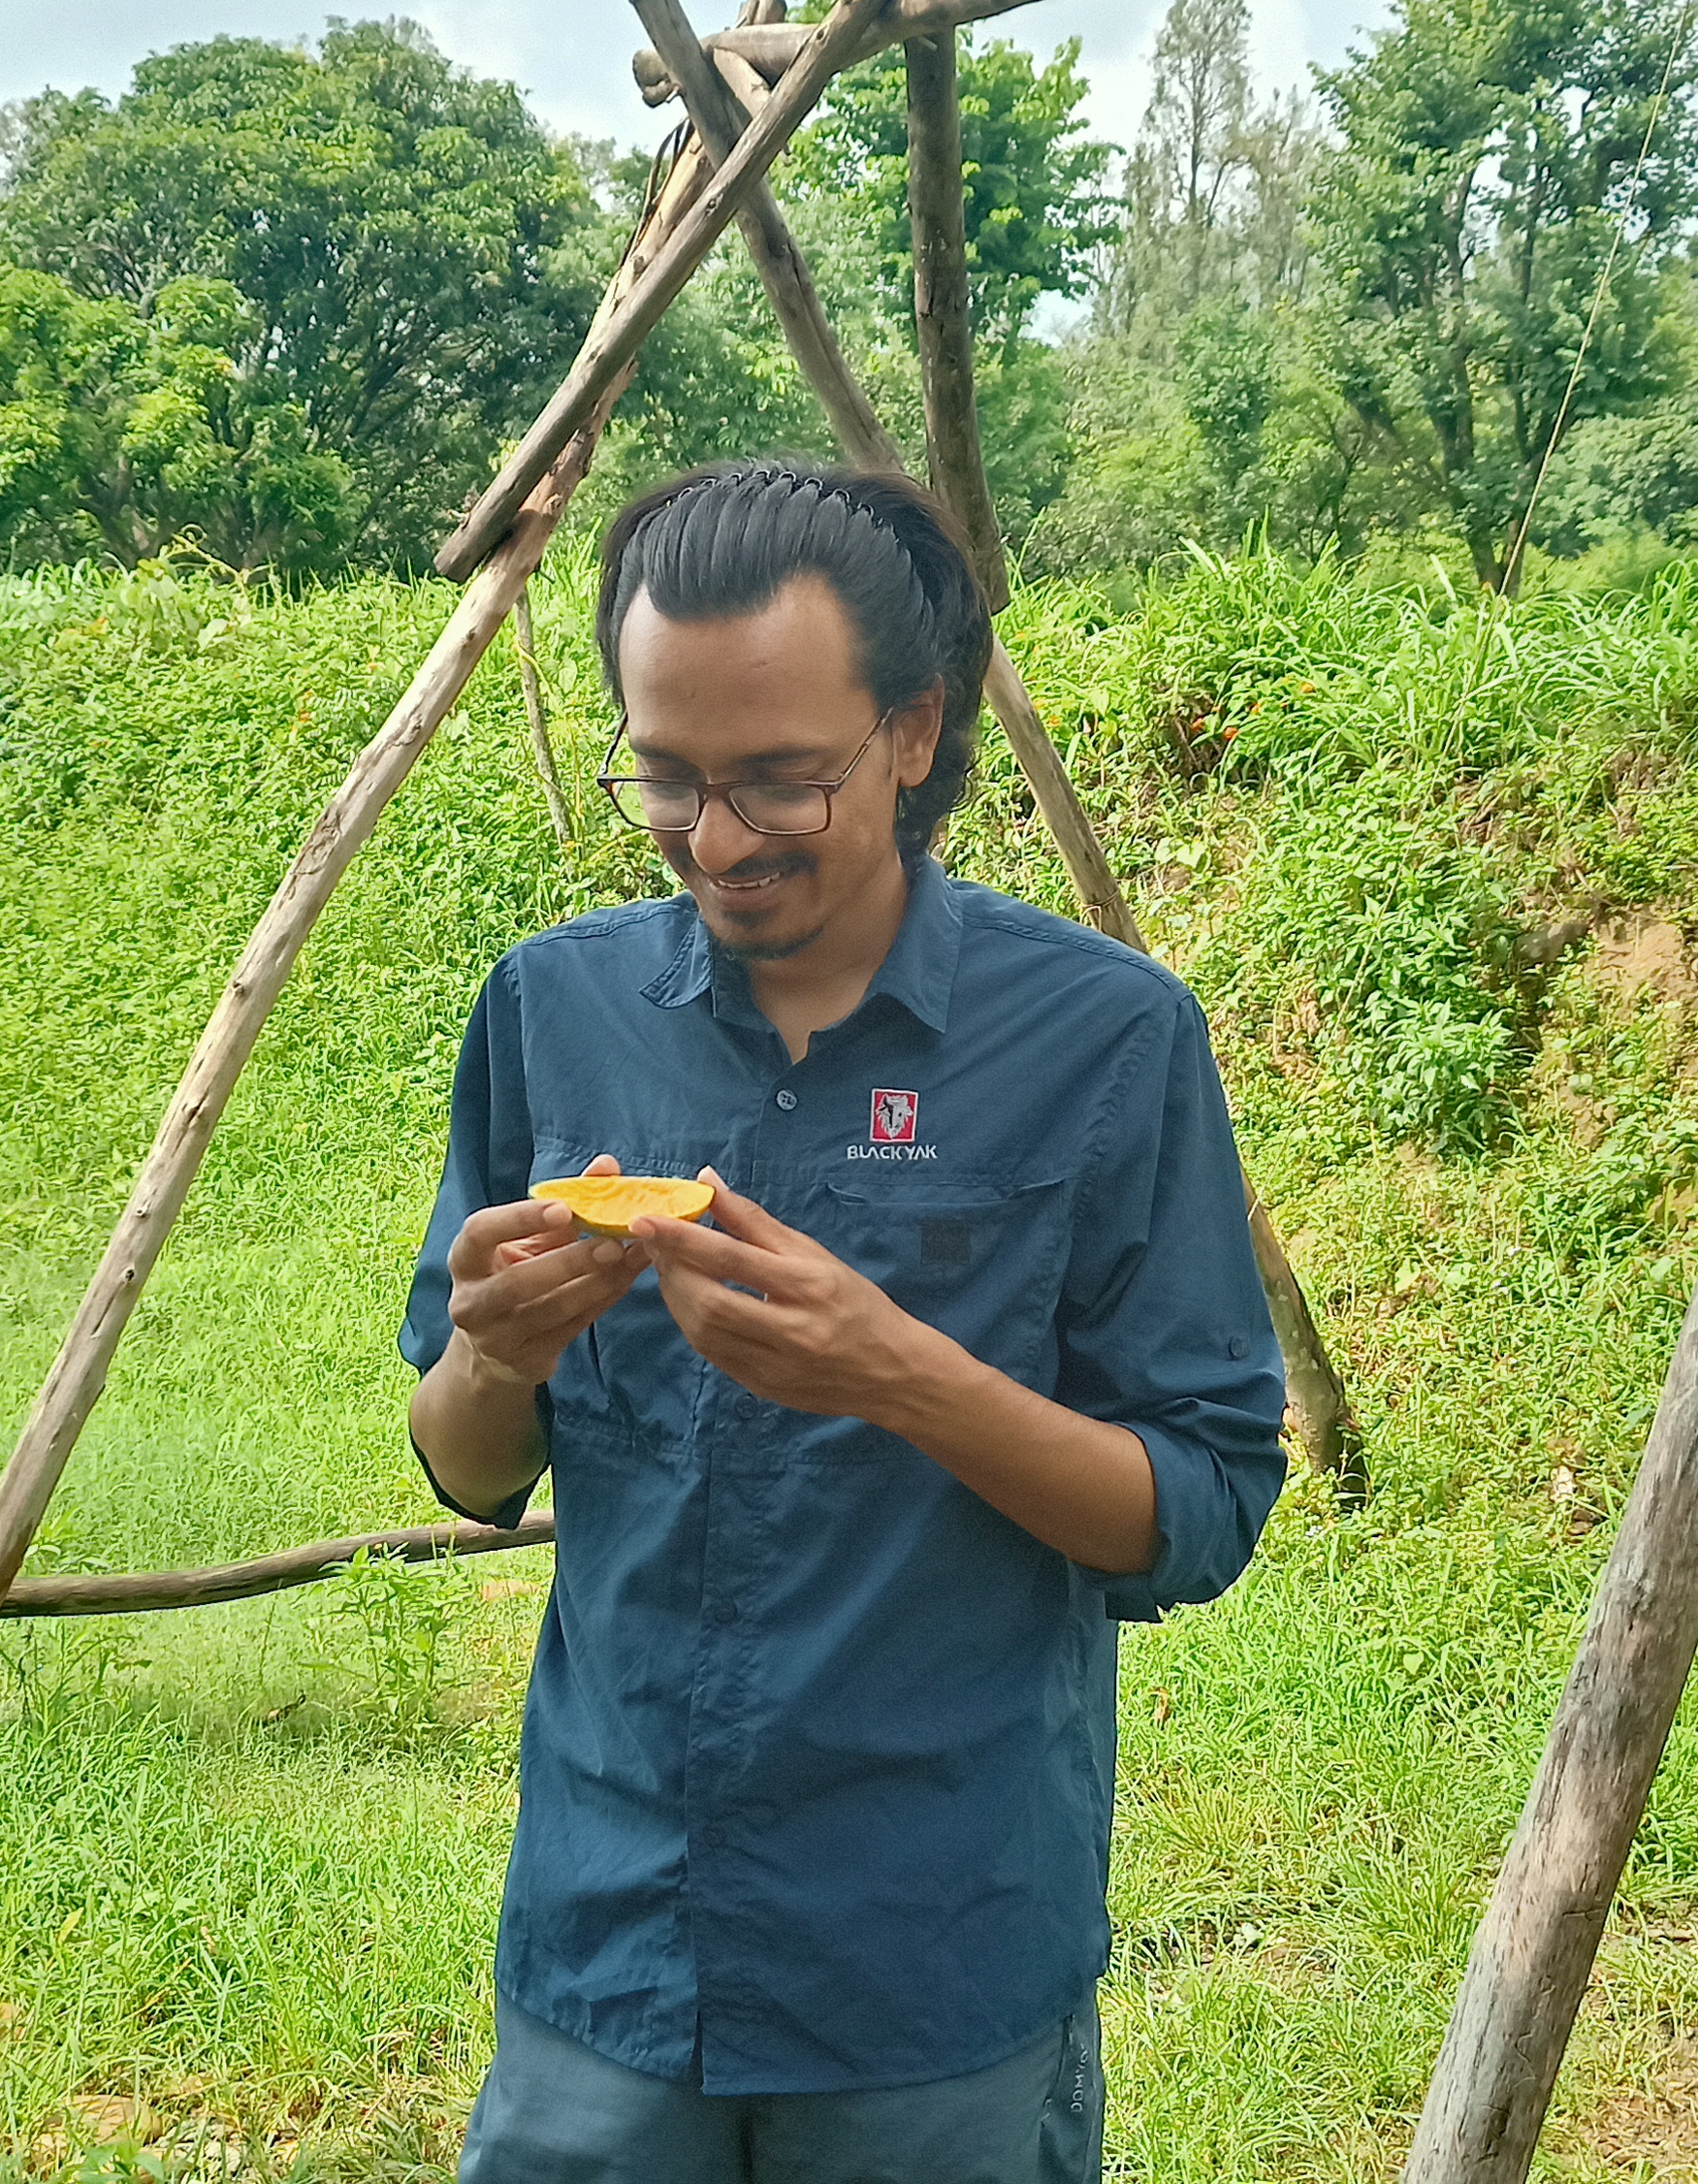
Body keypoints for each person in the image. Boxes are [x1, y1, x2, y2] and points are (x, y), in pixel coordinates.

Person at [400, 461, 1289, 2183]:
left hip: (931, 1965)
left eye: (780, 782)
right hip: (609, 1941)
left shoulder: (1105, 1043)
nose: (717, 840)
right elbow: (464, 1469)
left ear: (911, 731)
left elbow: (1201, 1515)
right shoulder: (554, 1009)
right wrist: (498, 1351)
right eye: (665, 774)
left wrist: (900, 1374)